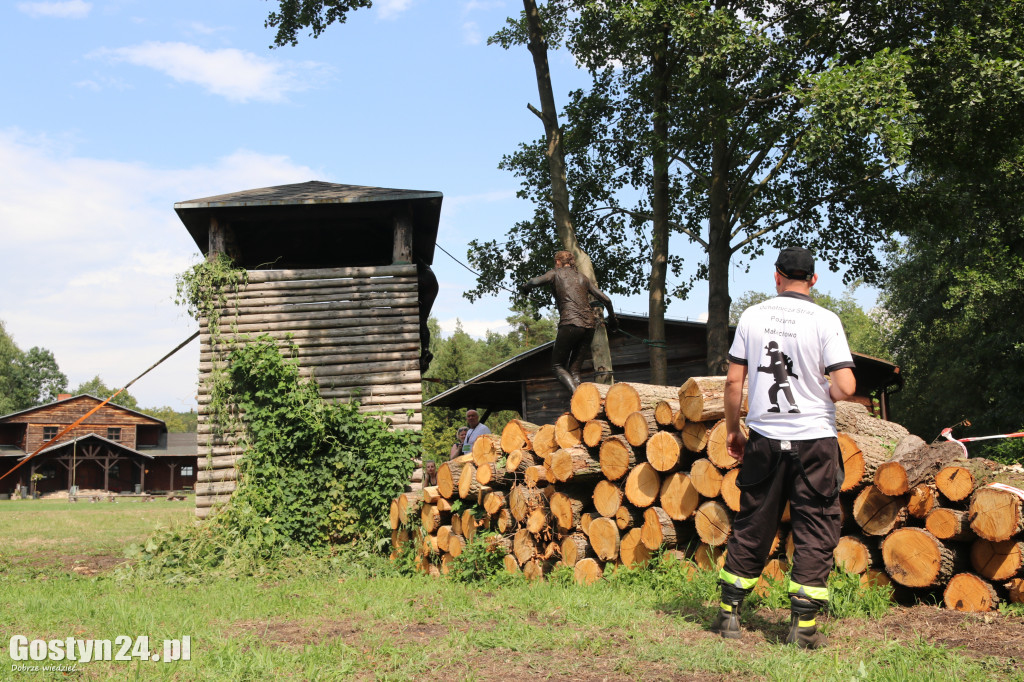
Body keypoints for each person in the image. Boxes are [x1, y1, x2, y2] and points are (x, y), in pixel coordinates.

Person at [709, 246, 856, 650]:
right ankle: (803, 628)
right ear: (813, 279)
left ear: (776, 276)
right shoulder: (826, 320)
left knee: (754, 521)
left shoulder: (753, 316)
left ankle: (729, 615)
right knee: (815, 526)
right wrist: (821, 391)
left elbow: (733, 383)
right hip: (814, 441)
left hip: (765, 439)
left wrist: (734, 431)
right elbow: (846, 386)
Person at [519, 250, 618, 394]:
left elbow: (534, 281)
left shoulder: (555, 273)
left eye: (555, 262)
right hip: (589, 326)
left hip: (570, 323)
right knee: (574, 370)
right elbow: (607, 300)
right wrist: (613, 320)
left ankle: (578, 397)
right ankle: (581, 402)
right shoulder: (582, 277)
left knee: (557, 366)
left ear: (558, 262)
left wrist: (526, 287)